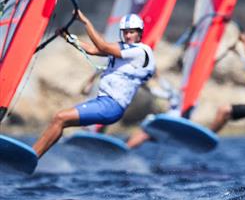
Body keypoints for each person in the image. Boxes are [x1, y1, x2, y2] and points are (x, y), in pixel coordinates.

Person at [32, 12, 155, 158]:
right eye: (125, 32)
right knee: (60, 121)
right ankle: (34, 156)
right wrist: (68, 37)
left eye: (132, 32)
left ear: (139, 33)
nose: (128, 36)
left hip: (111, 106)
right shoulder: (123, 49)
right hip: (103, 102)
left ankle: (32, 155)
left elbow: (102, 46)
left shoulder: (141, 51)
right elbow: (92, 49)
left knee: (60, 117)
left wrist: (85, 22)